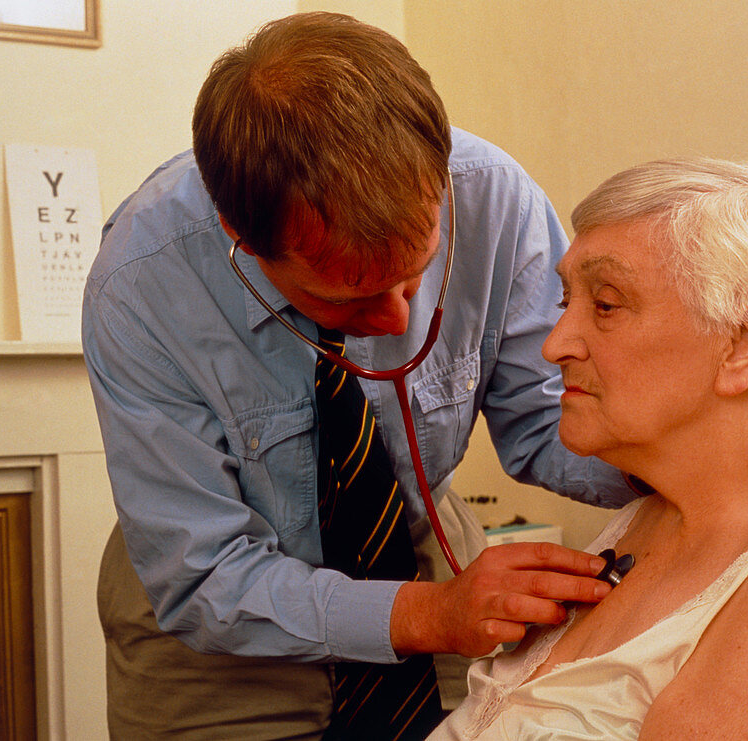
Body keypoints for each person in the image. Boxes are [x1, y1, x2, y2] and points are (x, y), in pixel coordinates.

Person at [82, 12, 637, 740]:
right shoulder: (140, 280)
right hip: (218, 622)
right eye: (348, 297)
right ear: (241, 240)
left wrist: (701, 449)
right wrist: (426, 613)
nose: (395, 319)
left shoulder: (496, 199)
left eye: (414, 276)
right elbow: (203, 574)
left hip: (425, 552)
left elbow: (546, 420)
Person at [430, 158, 748, 740]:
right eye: (566, 301)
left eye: (607, 305)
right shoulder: (667, 506)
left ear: (742, 344)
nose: (555, 345)